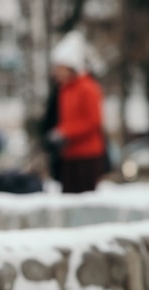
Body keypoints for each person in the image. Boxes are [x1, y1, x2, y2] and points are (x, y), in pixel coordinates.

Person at [47, 30, 105, 193]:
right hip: (68, 154)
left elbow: (93, 121)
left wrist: (65, 132)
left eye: (60, 68)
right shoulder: (64, 90)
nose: (56, 73)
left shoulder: (88, 88)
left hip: (87, 155)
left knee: (84, 200)